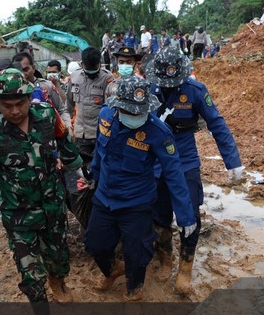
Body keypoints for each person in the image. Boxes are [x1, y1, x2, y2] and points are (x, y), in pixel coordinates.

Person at [0, 68, 83, 314]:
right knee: (29, 271)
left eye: (19, 104)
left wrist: (77, 169)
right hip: (19, 212)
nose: (14, 111)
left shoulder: (46, 114)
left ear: (28, 97)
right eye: (7, 105)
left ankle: (58, 280)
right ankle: (40, 305)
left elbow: (64, 142)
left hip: (52, 204)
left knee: (58, 256)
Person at [84, 76, 197, 301]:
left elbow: (174, 175)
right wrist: (94, 176)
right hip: (105, 197)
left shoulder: (159, 132)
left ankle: (134, 293)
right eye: (131, 112)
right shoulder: (106, 116)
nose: (136, 117)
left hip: (136, 203)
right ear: (119, 106)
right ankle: (113, 270)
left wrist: (186, 217)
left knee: (137, 255)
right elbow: (100, 150)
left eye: (140, 112)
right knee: (95, 245)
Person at [145, 47, 243, 294]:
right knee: (159, 215)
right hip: (155, 162)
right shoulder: (148, 90)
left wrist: (233, 161)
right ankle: (165, 258)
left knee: (190, 216)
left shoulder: (195, 91)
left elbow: (217, 123)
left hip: (185, 160)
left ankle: (185, 268)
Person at [65, 47, 114, 174]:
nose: (90, 71)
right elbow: (69, 103)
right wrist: (69, 125)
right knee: (84, 168)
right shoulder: (74, 77)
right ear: (82, 64)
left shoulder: (107, 78)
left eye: (94, 67)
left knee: (103, 166)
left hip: (101, 133)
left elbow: (111, 108)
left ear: (99, 64)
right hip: (81, 133)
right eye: (88, 68)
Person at [12, 52, 73, 131]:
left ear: (33, 68)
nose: (22, 74)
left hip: (48, 135)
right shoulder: (10, 91)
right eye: (19, 70)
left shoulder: (48, 86)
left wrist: (68, 126)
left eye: (26, 69)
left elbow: (62, 110)